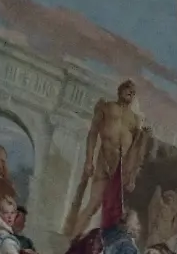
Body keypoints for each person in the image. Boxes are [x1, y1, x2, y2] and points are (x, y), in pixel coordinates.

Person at [64, 80, 150, 237]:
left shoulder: (135, 120)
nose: (130, 92)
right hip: (104, 160)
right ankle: (72, 238)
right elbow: (93, 133)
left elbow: (136, 150)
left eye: (133, 91)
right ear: (120, 90)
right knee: (93, 204)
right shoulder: (107, 107)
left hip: (121, 168)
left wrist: (132, 176)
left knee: (115, 212)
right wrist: (89, 160)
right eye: (128, 89)